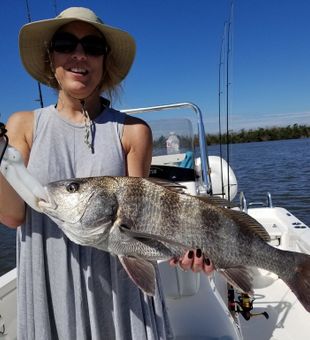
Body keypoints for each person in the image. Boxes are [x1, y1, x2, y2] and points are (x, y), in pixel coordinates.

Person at [0, 7, 213, 340]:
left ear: (105, 60)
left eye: (92, 47)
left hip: (121, 284)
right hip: (49, 282)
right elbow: (13, 216)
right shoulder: (22, 125)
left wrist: (186, 248)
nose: (79, 55)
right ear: (50, 56)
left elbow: (144, 220)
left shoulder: (132, 131)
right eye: (66, 44)